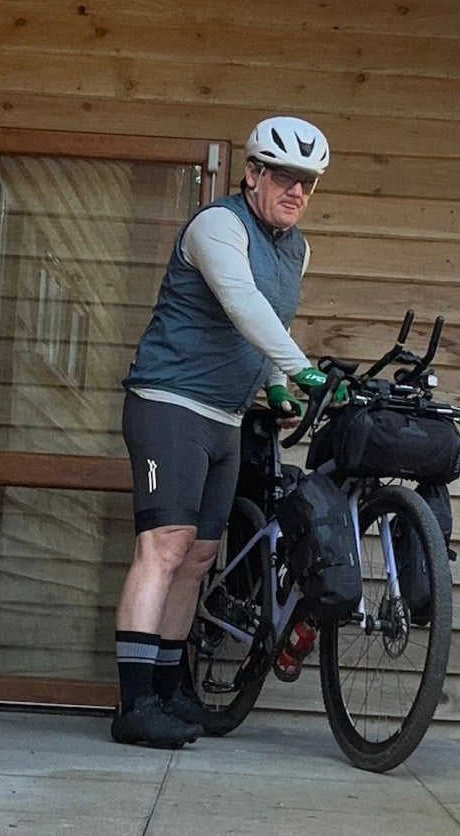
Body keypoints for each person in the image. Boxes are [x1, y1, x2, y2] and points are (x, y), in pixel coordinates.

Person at [110, 116, 338, 748]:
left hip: (226, 420)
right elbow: (241, 302)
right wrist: (306, 371)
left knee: (201, 556)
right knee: (165, 545)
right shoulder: (218, 225)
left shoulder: (297, 248)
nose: (296, 191)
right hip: (169, 403)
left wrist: (274, 384)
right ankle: (133, 707)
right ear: (253, 173)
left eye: (308, 183)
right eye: (285, 176)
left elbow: (266, 322)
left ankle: (166, 690)